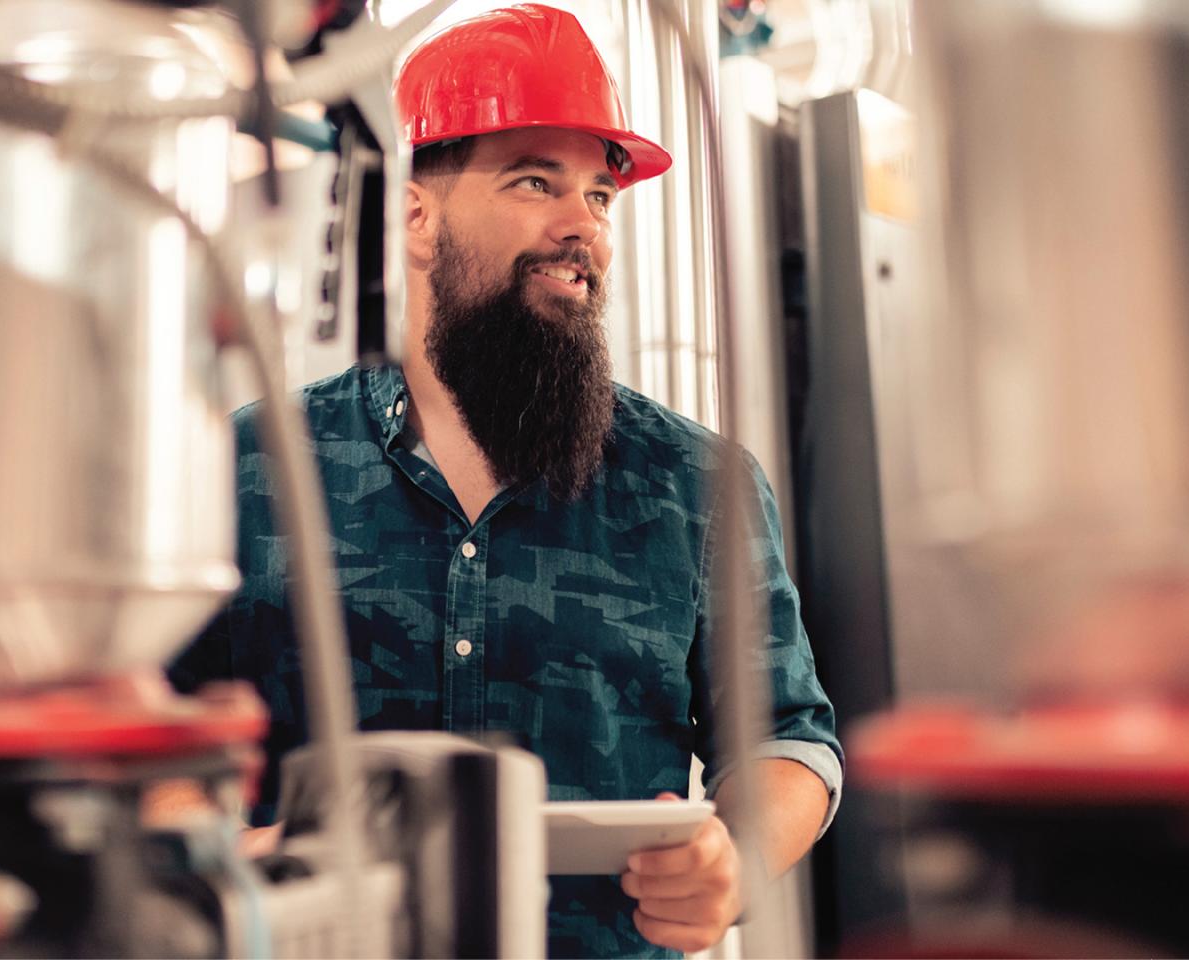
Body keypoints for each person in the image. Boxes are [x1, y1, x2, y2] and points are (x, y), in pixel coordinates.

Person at [169, 5, 840, 956]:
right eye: (536, 181)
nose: (584, 229)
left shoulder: (697, 487)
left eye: (600, 197)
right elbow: (151, 733)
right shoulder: (249, 468)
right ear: (414, 212)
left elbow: (787, 737)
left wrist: (730, 860)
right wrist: (225, 850)